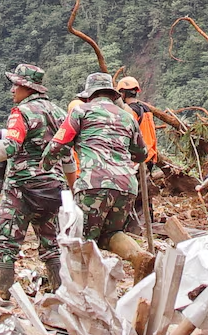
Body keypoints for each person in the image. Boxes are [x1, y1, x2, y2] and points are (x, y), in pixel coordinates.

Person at [0, 64, 77, 295]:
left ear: (27, 88)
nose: (12, 90)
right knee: (52, 245)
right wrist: (73, 189)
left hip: (22, 190)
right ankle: (62, 294)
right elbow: (68, 155)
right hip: (53, 190)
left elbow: (10, 146)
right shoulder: (61, 114)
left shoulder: (21, 112)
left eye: (16, 84)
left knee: (5, 243)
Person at [42, 73, 148, 269]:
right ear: (112, 94)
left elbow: (57, 145)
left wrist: (45, 165)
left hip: (94, 184)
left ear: (89, 95)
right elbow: (142, 154)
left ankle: (86, 287)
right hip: (126, 186)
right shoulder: (127, 117)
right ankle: (139, 256)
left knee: (82, 238)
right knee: (111, 234)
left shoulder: (80, 112)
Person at [116, 76, 158, 165]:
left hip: (139, 158)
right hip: (150, 155)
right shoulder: (146, 109)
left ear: (122, 93)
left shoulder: (131, 112)